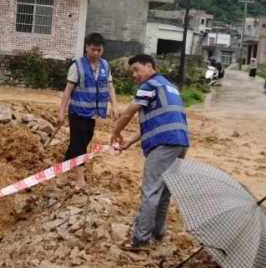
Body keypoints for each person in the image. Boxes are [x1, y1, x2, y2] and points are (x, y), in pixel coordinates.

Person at [110, 55, 190, 252]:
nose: (135, 75)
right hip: (179, 143)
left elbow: (128, 113)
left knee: (151, 191)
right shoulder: (169, 86)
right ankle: (158, 232)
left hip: (163, 145)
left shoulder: (149, 86)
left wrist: (116, 133)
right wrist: (130, 141)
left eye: (137, 69)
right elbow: (158, 121)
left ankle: (141, 239)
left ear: (149, 66)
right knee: (164, 192)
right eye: (132, 72)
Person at [56, 32, 118, 192]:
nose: (96, 53)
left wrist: (115, 105)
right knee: (79, 145)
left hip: (92, 114)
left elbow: (110, 86)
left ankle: (61, 176)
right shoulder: (77, 65)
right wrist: (61, 113)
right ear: (86, 48)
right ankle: (79, 180)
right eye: (93, 49)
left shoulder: (105, 66)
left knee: (79, 143)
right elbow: (68, 90)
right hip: (77, 112)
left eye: (99, 50)